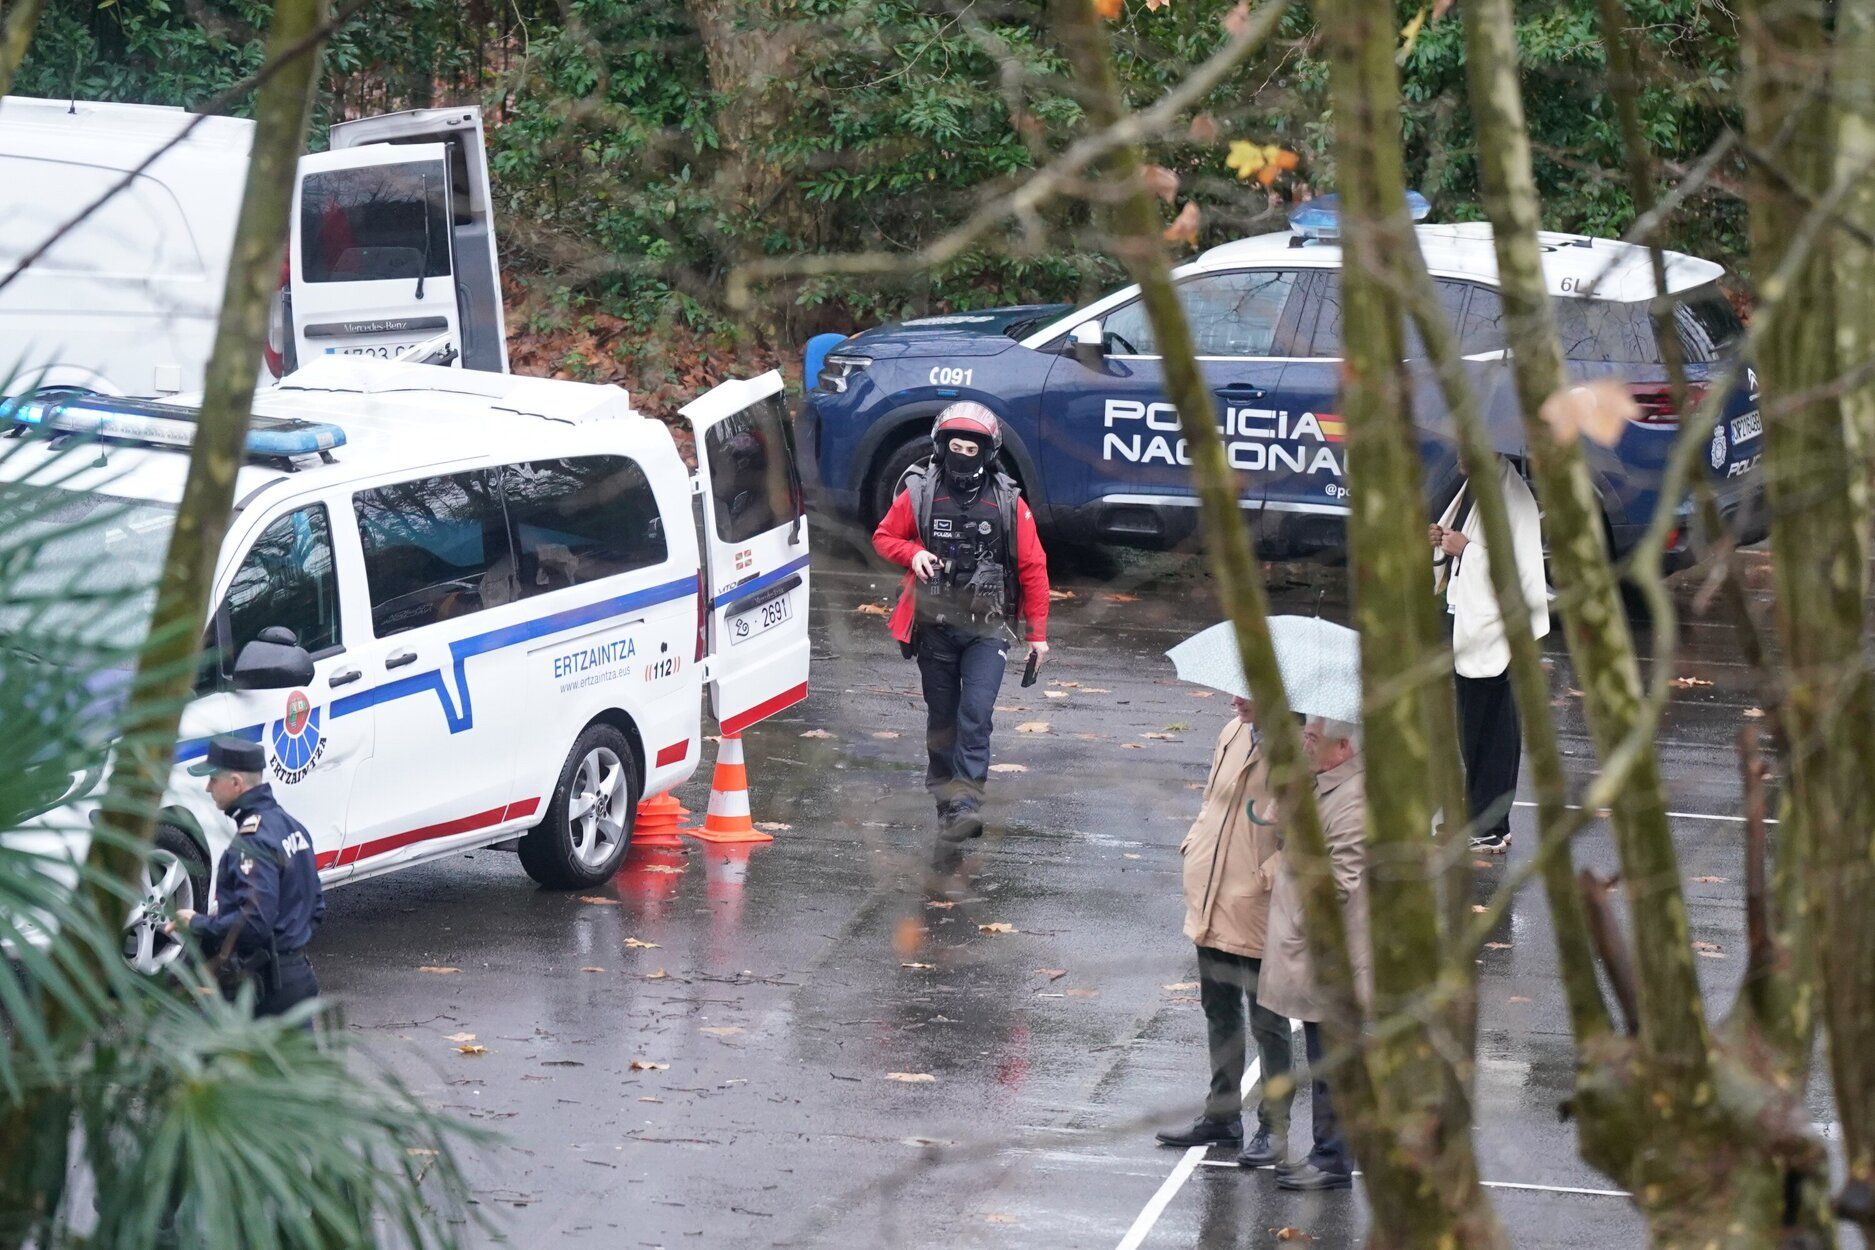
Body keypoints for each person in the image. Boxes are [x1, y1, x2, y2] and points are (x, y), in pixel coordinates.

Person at [871, 401, 1051, 848]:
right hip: (933, 628)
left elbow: (1033, 567)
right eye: (956, 444)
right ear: (940, 446)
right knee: (943, 719)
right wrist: (913, 553)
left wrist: (1038, 636)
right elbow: (884, 537)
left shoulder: (1009, 502)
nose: (964, 452)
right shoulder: (919, 492)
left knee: (976, 714)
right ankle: (945, 800)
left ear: (988, 452)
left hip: (987, 630)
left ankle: (967, 804)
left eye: (973, 446)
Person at [1155, 696, 1294, 1167]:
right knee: (1217, 1009)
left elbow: (1311, 835)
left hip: (1258, 904)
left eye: (1247, 687)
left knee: (1268, 1021)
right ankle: (1222, 1115)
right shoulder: (1232, 731)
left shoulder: (1298, 749)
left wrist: (1270, 875)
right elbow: (1211, 804)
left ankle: (1274, 1129)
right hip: (1212, 895)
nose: (1236, 698)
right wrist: (1195, 845)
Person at [1255, 715, 1369, 1192]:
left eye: (1313, 739)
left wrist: (1299, 926)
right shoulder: (1325, 784)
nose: (1305, 744)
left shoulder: (1354, 800)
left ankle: (1334, 1158)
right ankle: (1327, 1152)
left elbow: (1340, 879)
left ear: (1342, 747)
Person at [1429, 459, 1549, 853]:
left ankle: (1491, 825)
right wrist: (1443, 540)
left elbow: (1515, 568)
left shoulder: (1512, 498)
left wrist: (1465, 549)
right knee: (1473, 727)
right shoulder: (1478, 486)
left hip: (1498, 629)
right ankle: (1475, 815)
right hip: (1473, 622)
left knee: (1494, 731)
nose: (1458, 456)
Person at [167, 735, 325, 1018]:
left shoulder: (253, 841)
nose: (207, 788)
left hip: (262, 990)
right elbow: (316, 907)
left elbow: (252, 922)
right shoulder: (291, 826)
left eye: (213, 780)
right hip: (297, 977)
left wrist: (197, 922)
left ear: (236, 783)